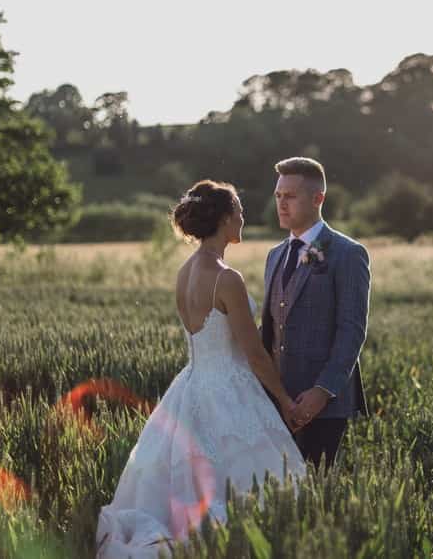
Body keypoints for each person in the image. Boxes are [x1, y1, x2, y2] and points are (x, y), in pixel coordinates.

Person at [96, 180, 306, 557]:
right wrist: (287, 402)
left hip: (190, 386)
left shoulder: (184, 272)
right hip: (230, 389)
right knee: (254, 482)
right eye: (239, 211)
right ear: (225, 219)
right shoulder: (227, 279)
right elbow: (255, 354)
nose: (243, 217)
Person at [261, 157, 371, 467]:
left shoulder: (348, 253)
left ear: (317, 198)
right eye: (279, 196)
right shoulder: (275, 255)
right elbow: (271, 329)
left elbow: (352, 331)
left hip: (325, 406)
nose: (282, 204)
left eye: (291, 196)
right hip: (277, 402)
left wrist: (321, 392)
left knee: (317, 494)